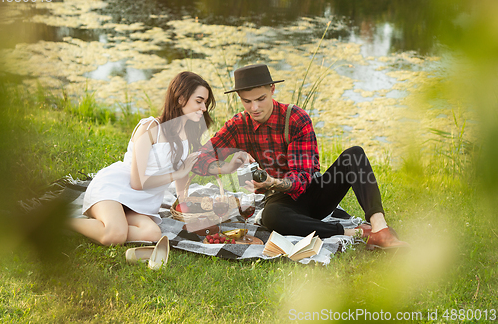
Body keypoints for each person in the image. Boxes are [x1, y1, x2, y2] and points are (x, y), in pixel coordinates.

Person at [192, 64, 408, 249]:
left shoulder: (296, 118)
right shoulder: (239, 125)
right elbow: (197, 159)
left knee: (354, 155)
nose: (254, 108)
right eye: (247, 102)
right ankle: (355, 232)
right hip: (282, 204)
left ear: (272, 89)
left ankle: (380, 229)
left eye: (260, 99)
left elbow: (304, 177)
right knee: (271, 216)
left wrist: (273, 182)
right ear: (240, 98)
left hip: (314, 193)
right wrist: (226, 167)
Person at [70, 72, 216, 245]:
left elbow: (182, 170)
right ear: (181, 99)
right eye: (199, 101)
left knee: (152, 234)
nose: (204, 108)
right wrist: (176, 174)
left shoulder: (187, 133)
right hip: (114, 189)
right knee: (114, 236)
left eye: (205, 103)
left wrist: (185, 205)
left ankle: (114, 225)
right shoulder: (150, 127)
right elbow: (137, 183)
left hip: (142, 203)